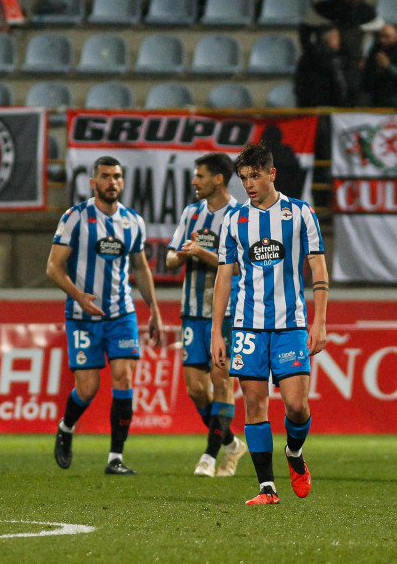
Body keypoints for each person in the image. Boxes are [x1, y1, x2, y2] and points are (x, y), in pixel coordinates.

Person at [211, 142, 328, 505]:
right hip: (247, 326)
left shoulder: (300, 213)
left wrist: (319, 321)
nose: (248, 184)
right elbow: (224, 278)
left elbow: (318, 268)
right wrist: (217, 331)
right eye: (244, 178)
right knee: (255, 403)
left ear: (271, 174)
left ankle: (294, 452)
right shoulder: (233, 219)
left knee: (296, 406)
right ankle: (267, 488)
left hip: (291, 324)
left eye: (255, 176)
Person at [47, 156, 164, 475]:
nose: (112, 182)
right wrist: (78, 296)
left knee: (124, 377)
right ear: (93, 182)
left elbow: (140, 268)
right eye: (105, 176)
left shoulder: (132, 221)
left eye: (117, 176)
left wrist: (153, 310)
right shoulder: (76, 217)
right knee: (87, 388)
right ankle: (67, 426)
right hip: (82, 315)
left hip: (121, 314)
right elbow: (53, 266)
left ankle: (115, 458)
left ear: (122, 182)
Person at [166, 153, 248, 478]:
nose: (194, 181)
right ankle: (231, 443)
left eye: (200, 175)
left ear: (217, 179)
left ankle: (209, 456)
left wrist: (202, 253)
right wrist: (180, 256)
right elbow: (172, 256)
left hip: (225, 313)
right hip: (192, 312)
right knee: (195, 389)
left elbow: (239, 265)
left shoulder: (240, 215)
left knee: (221, 382)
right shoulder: (191, 213)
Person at [314, 0, 381, 106]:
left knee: (353, 94)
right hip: (326, 63)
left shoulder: (367, 11)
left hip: (354, 62)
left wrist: (368, 57)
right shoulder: (325, 8)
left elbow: (378, 36)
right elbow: (307, 30)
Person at [360, 23, 397, 108]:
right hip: (378, 101)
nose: (382, 40)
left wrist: (388, 67)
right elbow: (367, 78)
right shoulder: (375, 51)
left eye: (387, 37)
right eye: (380, 37)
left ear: (396, 37)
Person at [294, 24, 349, 107]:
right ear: (328, 39)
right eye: (336, 37)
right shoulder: (332, 59)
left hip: (308, 107)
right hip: (329, 107)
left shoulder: (306, 57)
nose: (339, 41)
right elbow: (339, 86)